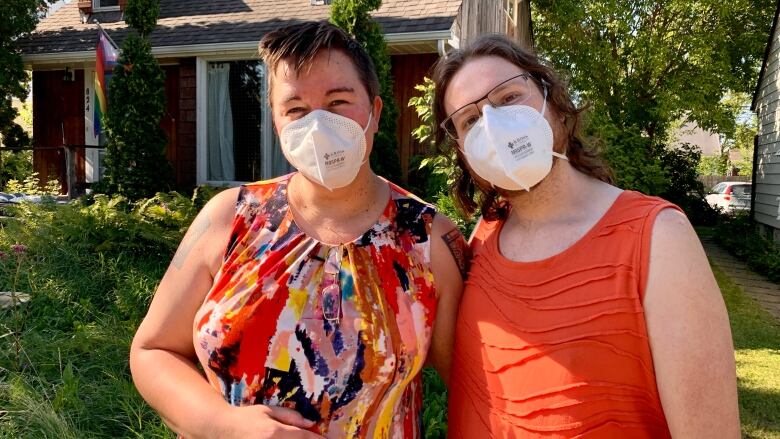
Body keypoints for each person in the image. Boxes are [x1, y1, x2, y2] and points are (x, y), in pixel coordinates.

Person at [129, 22, 466, 439]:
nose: (319, 124)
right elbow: (153, 350)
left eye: (338, 102)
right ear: (277, 124)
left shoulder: (428, 241)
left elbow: (474, 390)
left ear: (375, 113)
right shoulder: (228, 219)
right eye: (296, 110)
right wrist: (223, 426)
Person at [433, 34, 740, 438]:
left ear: (555, 104)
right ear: (464, 152)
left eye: (508, 98)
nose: (494, 125)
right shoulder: (484, 236)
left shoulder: (657, 237)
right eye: (470, 120)